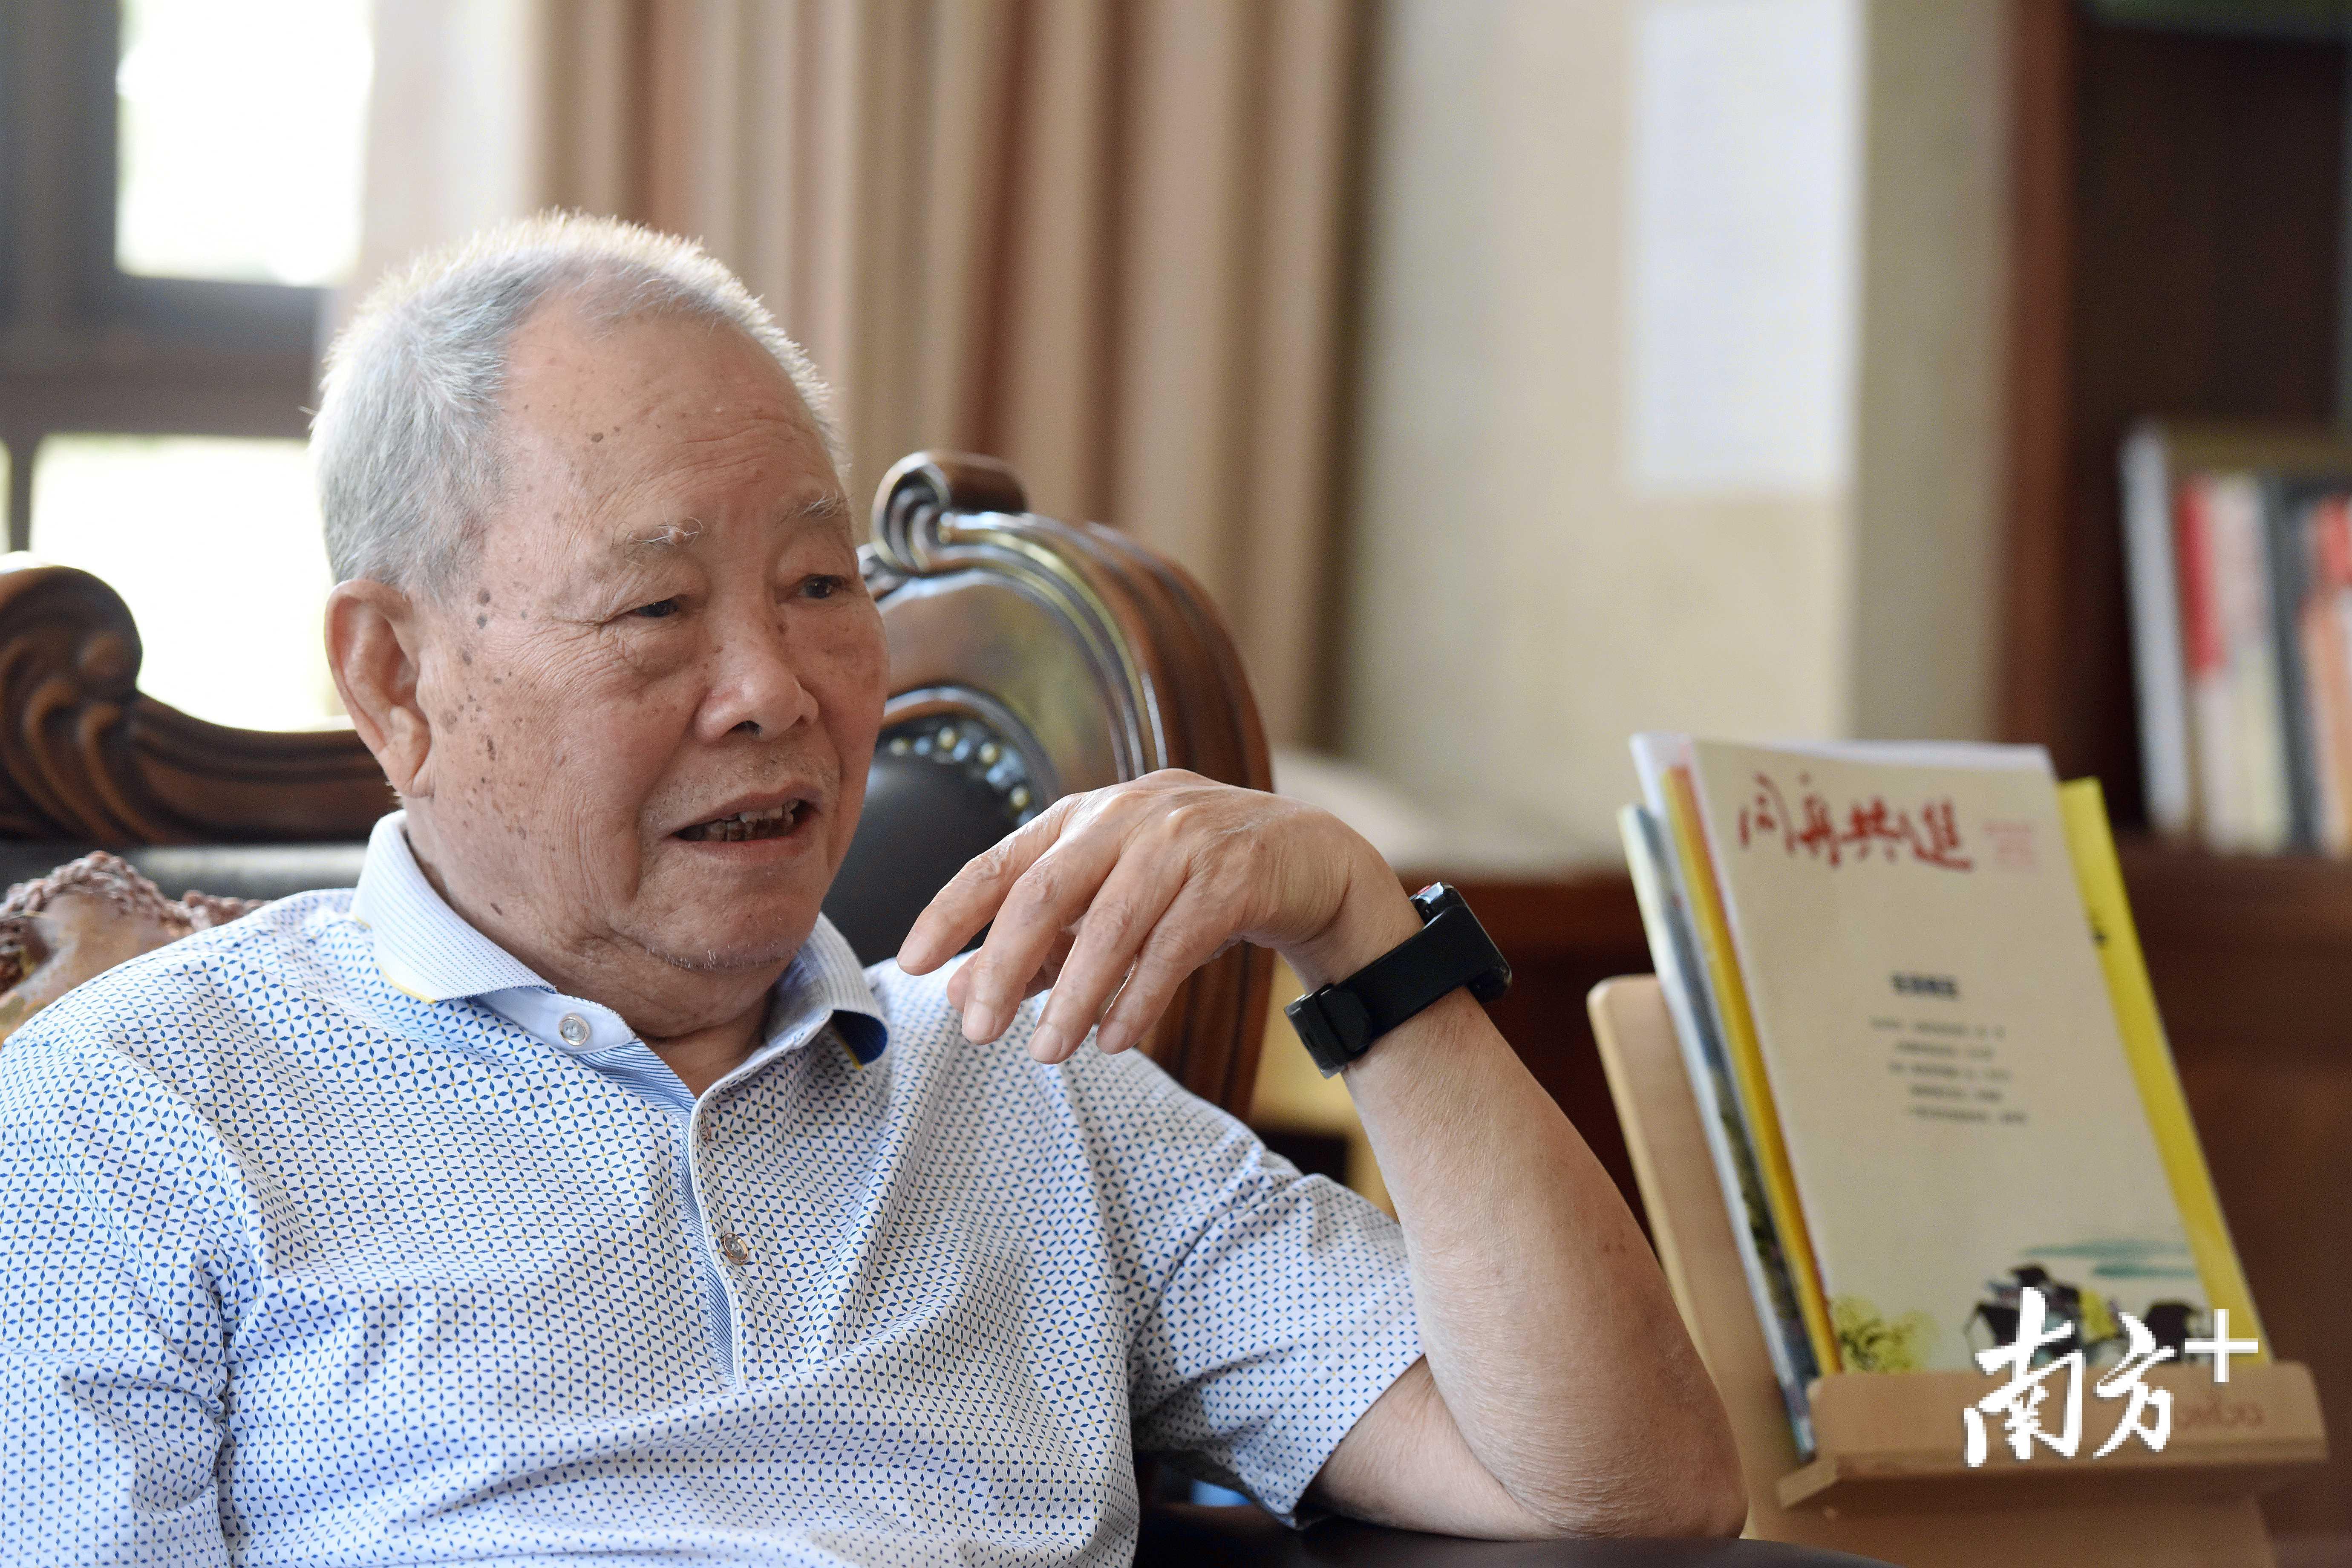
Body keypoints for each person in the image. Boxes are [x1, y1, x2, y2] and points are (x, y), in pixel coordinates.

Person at [0, 215, 1743, 1565]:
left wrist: (1361, 934)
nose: (775, 687)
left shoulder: (1033, 1081)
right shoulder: (137, 1113)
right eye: (656, 608)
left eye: (822, 585)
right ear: (395, 676)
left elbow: (1619, 1486)